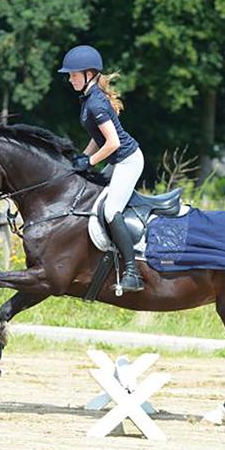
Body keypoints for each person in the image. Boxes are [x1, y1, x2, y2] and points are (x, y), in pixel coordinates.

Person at [58, 44, 145, 292]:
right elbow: (97, 137)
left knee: (110, 211)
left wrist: (91, 161)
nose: (70, 78)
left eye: (73, 74)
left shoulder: (95, 103)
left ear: (89, 74)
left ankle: (132, 272)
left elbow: (113, 142)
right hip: (116, 160)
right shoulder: (88, 100)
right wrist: (81, 157)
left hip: (128, 161)